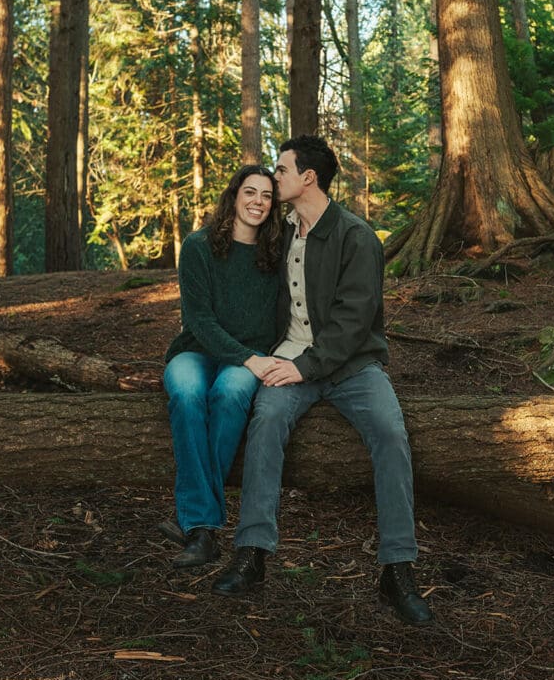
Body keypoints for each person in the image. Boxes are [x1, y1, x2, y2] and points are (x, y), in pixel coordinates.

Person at [212, 136, 433, 626]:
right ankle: (251, 554)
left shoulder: (357, 237)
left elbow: (355, 323)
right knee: (265, 420)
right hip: (289, 359)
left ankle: (397, 569)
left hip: (351, 365)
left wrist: (305, 367)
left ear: (308, 177)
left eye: (282, 170)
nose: (273, 180)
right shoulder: (280, 231)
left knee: (392, 433)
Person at [160, 165, 282, 569]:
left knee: (229, 394)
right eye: (250, 192)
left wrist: (253, 357)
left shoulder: (276, 253)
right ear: (233, 196)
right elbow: (199, 320)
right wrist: (247, 357)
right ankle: (204, 525)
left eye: (267, 196)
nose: (258, 203)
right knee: (187, 391)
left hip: (250, 355)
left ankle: (197, 528)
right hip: (196, 349)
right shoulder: (198, 246)